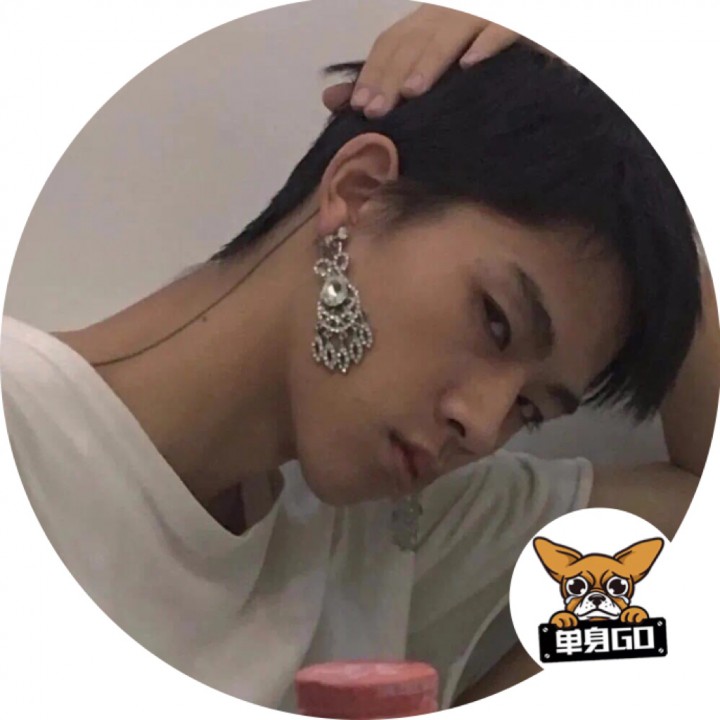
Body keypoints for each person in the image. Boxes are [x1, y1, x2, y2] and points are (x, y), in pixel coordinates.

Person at [1, 3, 717, 712]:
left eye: (529, 409)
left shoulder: (393, 530)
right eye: (496, 322)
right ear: (359, 193)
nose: (483, 426)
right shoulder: (28, 438)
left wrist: (647, 148)